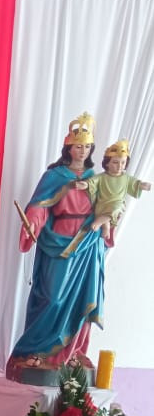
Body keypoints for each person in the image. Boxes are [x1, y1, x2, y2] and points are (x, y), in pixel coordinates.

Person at [8, 112, 107, 370]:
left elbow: (109, 207)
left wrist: (109, 219)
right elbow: (39, 207)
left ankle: (73, 352)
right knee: (52, 298)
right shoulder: (55, 176)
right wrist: (32, 222)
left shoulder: (97, 179)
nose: (82, 151)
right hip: (58, 242)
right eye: (78, 146)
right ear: (68, 148)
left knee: (83, 299)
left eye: (87, 146)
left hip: (88, 244)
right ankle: (36, 351)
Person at [72, 138, 151, 245]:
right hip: (102, 205)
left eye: (123, 163)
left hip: (117, 205)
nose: (119, 166)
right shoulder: (102, 177)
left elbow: (135, 184)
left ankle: (101, 222)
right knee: (105, 211)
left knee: (116, 207)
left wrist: (143, 185)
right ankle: (106, 226)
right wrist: (84, 184)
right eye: (115, 162)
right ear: (107, 163)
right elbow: (92, 182)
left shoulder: (126, 178)